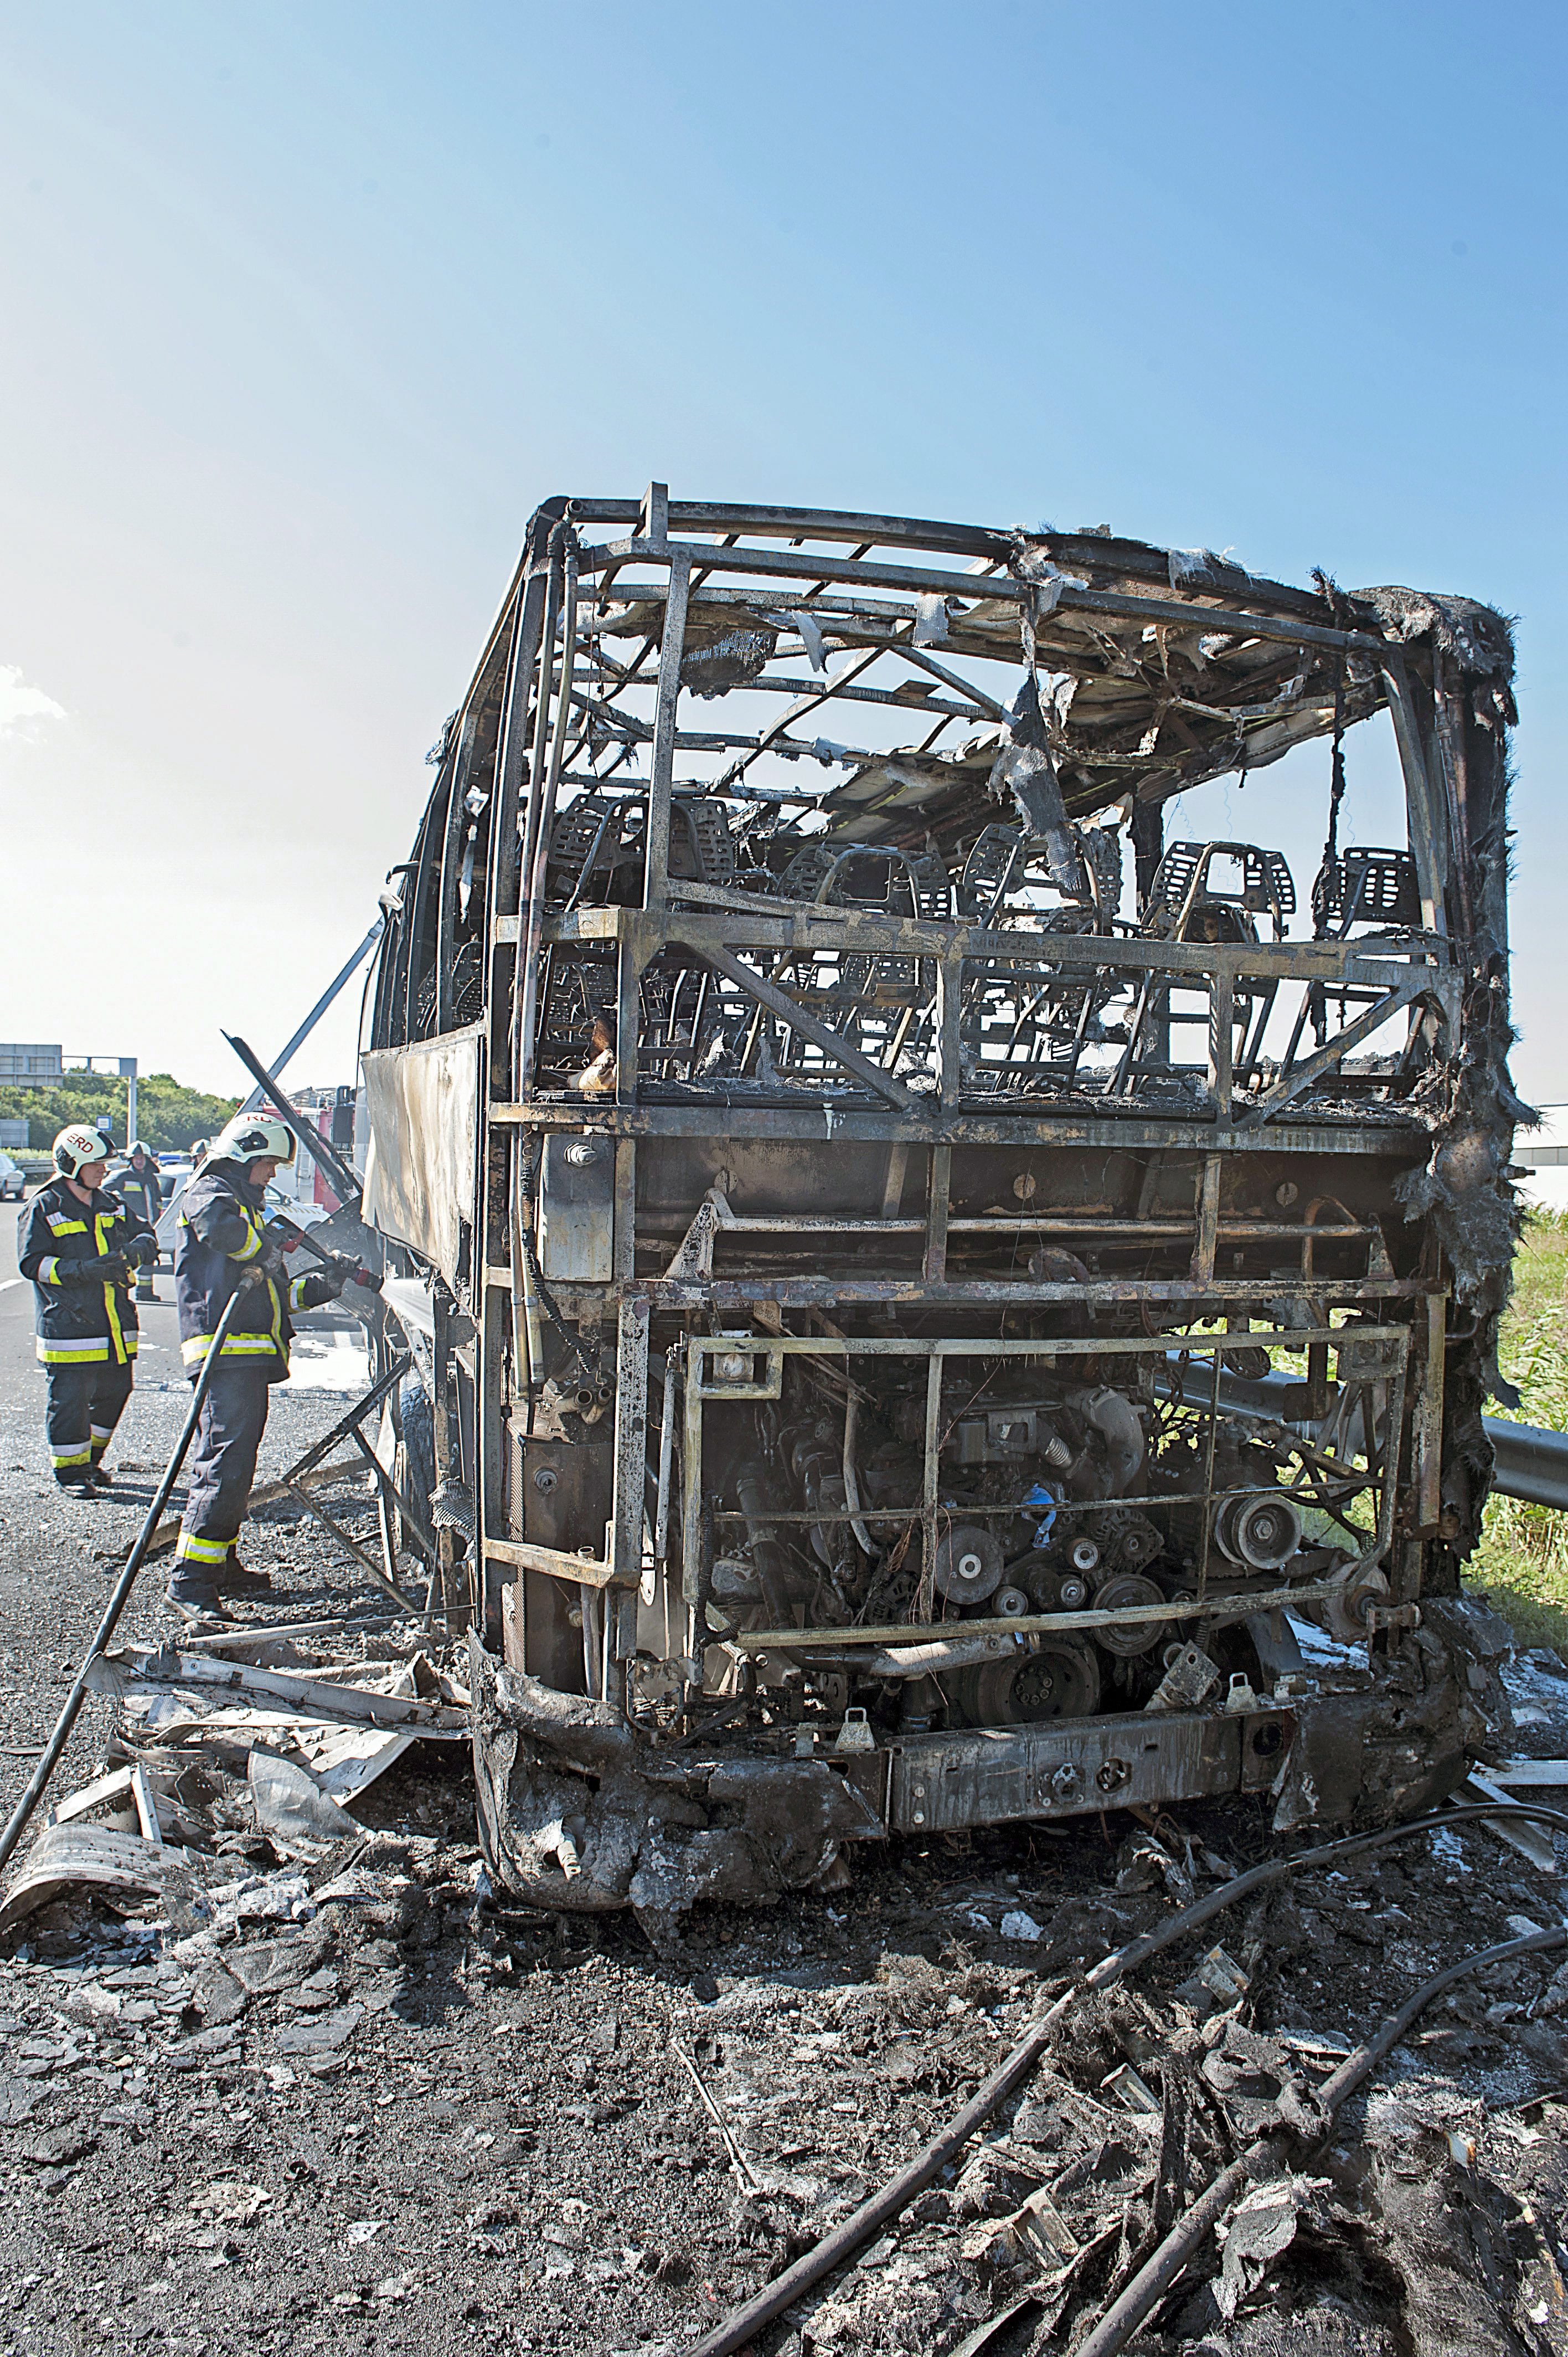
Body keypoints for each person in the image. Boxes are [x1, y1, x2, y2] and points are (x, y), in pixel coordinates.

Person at [168, 1115, 349, 1619]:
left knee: (237, 1464)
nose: (271, 1175)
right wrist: (269, 1243)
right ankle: (190, 1583)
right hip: (223, 1354)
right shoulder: (209, 1192)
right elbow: (221, 1231)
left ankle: (221, 1563)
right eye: (268, 1163)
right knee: (223, 1465)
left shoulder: (247, 1213)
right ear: (244, 1155)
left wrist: (326, 1283)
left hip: (246, 1355)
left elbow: (278, 1296)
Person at [17, 1125, 158, 1493]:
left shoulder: (109, 1202)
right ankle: (70, 1473)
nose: (103, 1170)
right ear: (71, 1163)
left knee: (116, 1392)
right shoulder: (44, 1207)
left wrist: (139, 1249)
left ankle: (89, 1461)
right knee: (70, 1401)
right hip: (70, 1326)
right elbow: (32, 1264)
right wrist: (83, 1271)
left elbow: (146, 1233)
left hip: (113, 1324)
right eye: (96, 1164)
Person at [109, 1141, 163, 1302]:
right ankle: (122, 1295)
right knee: (125, 1260)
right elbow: (104, 1193)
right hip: (129, 1228)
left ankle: (145, 1292)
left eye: (142, 1158)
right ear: (131, 1160)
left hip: (149, 1225)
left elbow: (158, 1201)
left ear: (147, 1159)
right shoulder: (122, 1177)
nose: (139, 1161)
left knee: (148, 1257)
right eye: (136, 1158)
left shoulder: (151, 1179)